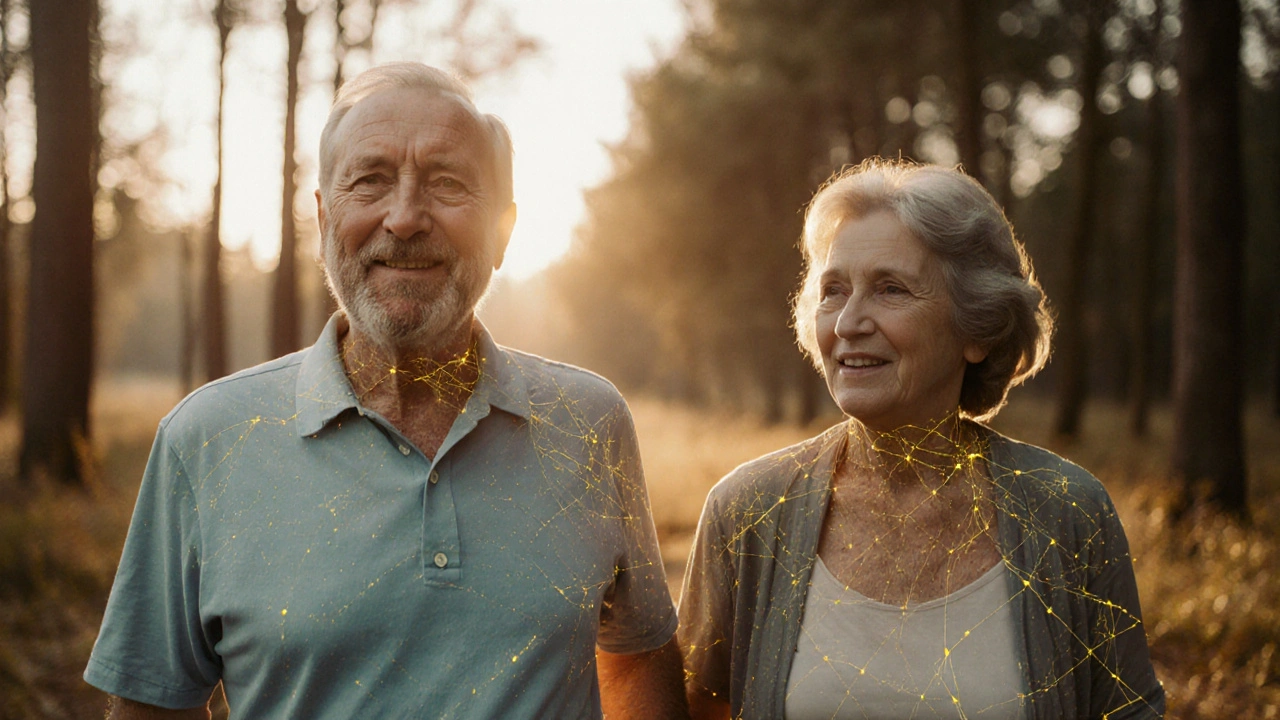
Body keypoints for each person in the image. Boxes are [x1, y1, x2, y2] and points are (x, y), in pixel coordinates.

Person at [85, 62, 688, 720]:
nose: (403, 219)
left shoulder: (591, 424)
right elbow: (150, 708)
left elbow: (637, 665)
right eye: (370, 181)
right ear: (323, 217)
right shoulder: (205, 440)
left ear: (504, 230)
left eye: (447, 183)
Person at [678, 159, 1165, 720]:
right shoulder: (748, 511)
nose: (847, 323)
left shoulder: (1068, 512)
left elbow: (1129, 711)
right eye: (833, 291)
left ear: (976, 329)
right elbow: (692, 707)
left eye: (890, 289)